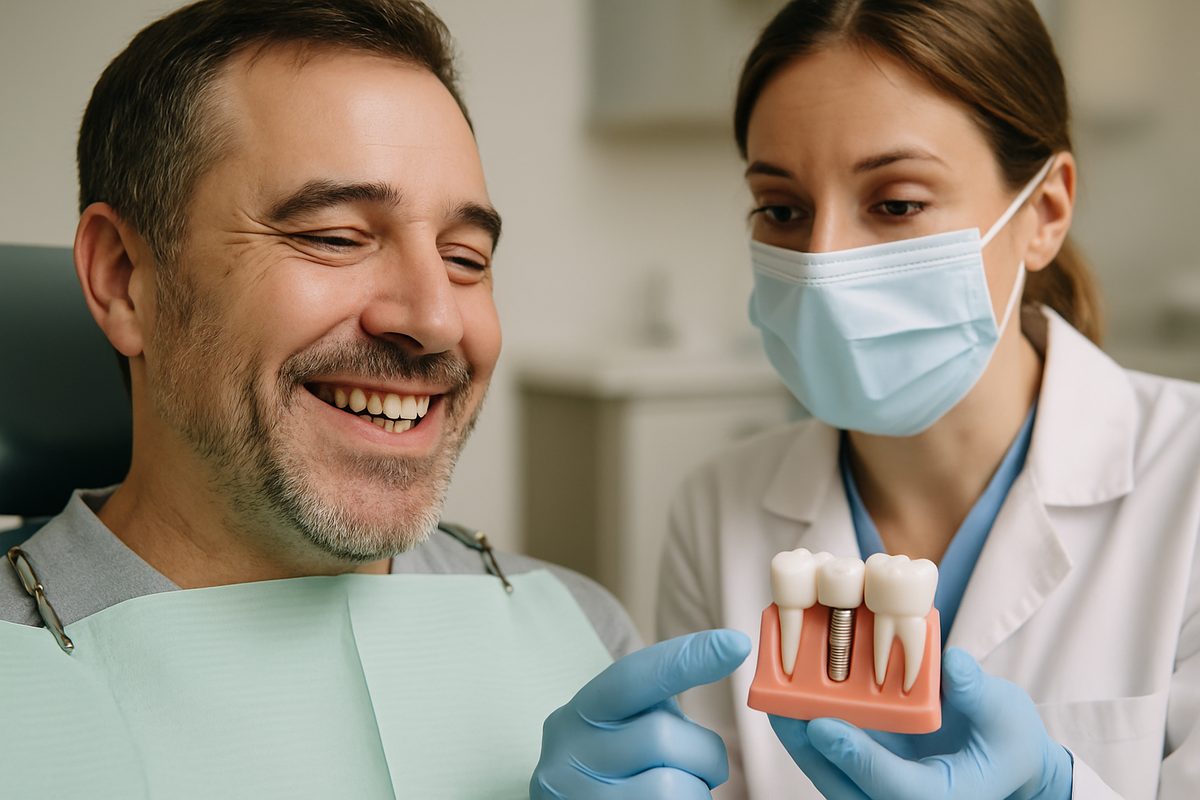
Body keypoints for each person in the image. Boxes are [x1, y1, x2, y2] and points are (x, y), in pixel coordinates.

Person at [0, 1, 751, 796]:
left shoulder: (579, 634)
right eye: (334, 238)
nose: (433, 318)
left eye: (465, 257)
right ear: (124, 279)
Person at [658, 1, 1200, 798]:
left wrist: (1057, 789)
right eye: (782, 210)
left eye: (897, 203)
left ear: (1044, 213)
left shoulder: (1187, 482)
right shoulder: (717, 507)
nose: (823, 263)